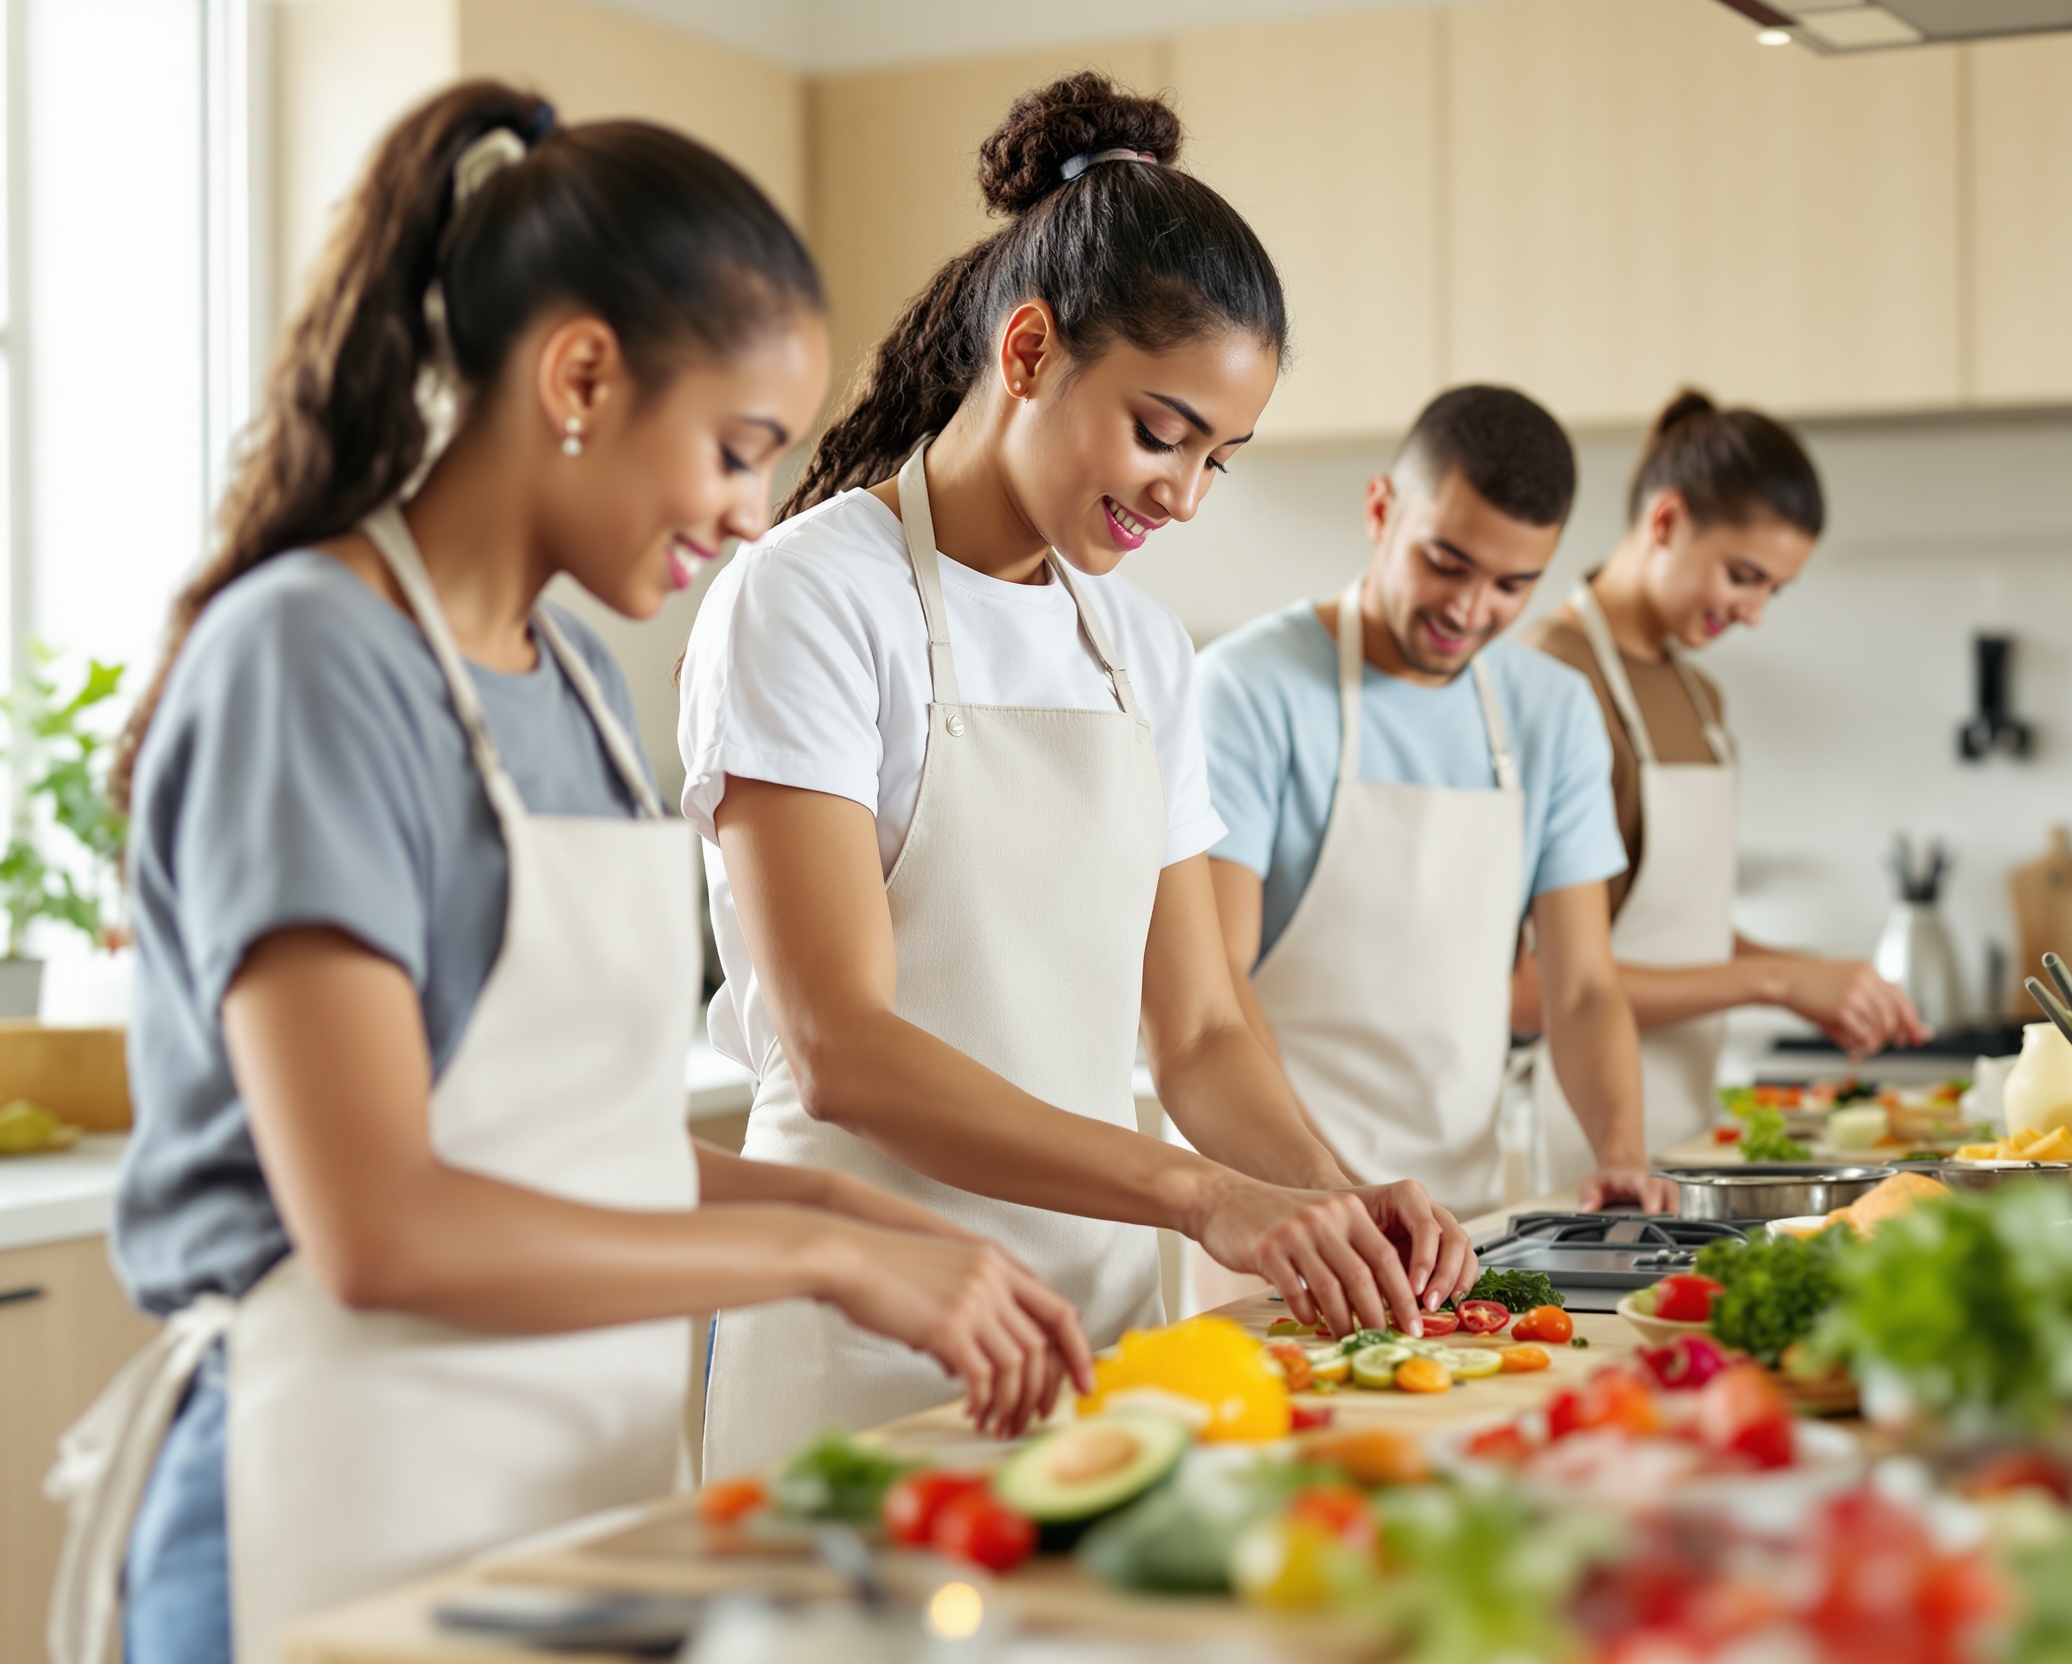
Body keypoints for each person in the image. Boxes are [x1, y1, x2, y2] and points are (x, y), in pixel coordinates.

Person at [54, 84, 1090, 1664]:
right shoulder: (309, 660)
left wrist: (858, 1210)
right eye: (738, 451)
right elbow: (381, 1225)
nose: (754, 512)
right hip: (313, 1492)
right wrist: (820, 1251)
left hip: (557, 1491)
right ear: (584, 374)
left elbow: (565, 1154)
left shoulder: (575, 692)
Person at [684, 74, 1478, 1476]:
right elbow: (839, 1046)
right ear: (1031, 348)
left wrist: (1341, 1202)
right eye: (1162, 432)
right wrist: (1200, 1194)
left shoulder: (1143, 648)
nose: (1183, 493)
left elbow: (1202, 1034)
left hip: (1097, 1337)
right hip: (863, 1342)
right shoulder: (812, 597)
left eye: (1220, 459)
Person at [1199, 386, 1676, 1221]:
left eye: (1511, 585)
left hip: (1468, 1209)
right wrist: (1332, 1191)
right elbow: (1214, 982)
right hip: (1281, 1205)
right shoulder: (1245, 689)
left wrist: (1621, 1152)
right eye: (1445, 563)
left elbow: (1582, 988)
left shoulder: (1553, 710)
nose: (1469, 609)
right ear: (1381, 510)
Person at [1519, 389, 1929, 1181]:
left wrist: (1812, 975)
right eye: (1745, 576)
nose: (1755, 613)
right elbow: (1532, 983)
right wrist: (1774, 980)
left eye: (1774, 589)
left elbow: (1669, 930)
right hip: (1575, 1141)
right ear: (1665, 521)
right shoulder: (1549, 677)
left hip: (1683, 1128)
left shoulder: (1701, 701)